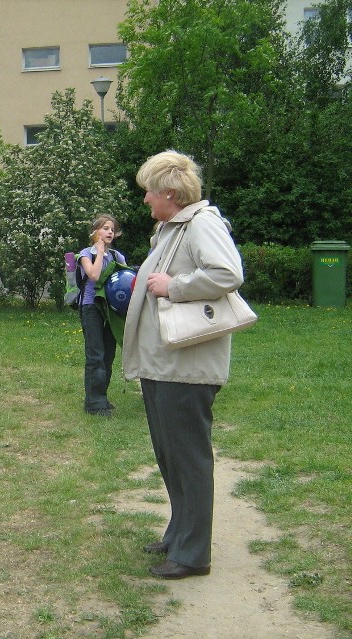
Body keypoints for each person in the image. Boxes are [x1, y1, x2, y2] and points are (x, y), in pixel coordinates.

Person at [123, 150, 245, 580]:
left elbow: (227, 274)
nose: (145, 201)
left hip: (186, 367)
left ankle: (193, 554)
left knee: (189, 458)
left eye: (150, 192)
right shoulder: (171, 228)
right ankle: (179, 533)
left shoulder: (201, 224)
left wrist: (174, 286)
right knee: (170, 456)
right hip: (164, 364)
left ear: (170, 193)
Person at [77, 215, 127, 416]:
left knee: (108, 354)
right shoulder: (85, 254)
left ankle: (101, 398)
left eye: (112, 229)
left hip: (111, 309)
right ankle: (93, 402)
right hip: (91, 308)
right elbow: (94, 275)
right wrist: (99, 252)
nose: (109, 232)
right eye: (105, 228)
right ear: (95, 231)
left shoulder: (116, 256)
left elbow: (126, 277)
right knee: (95, 354)